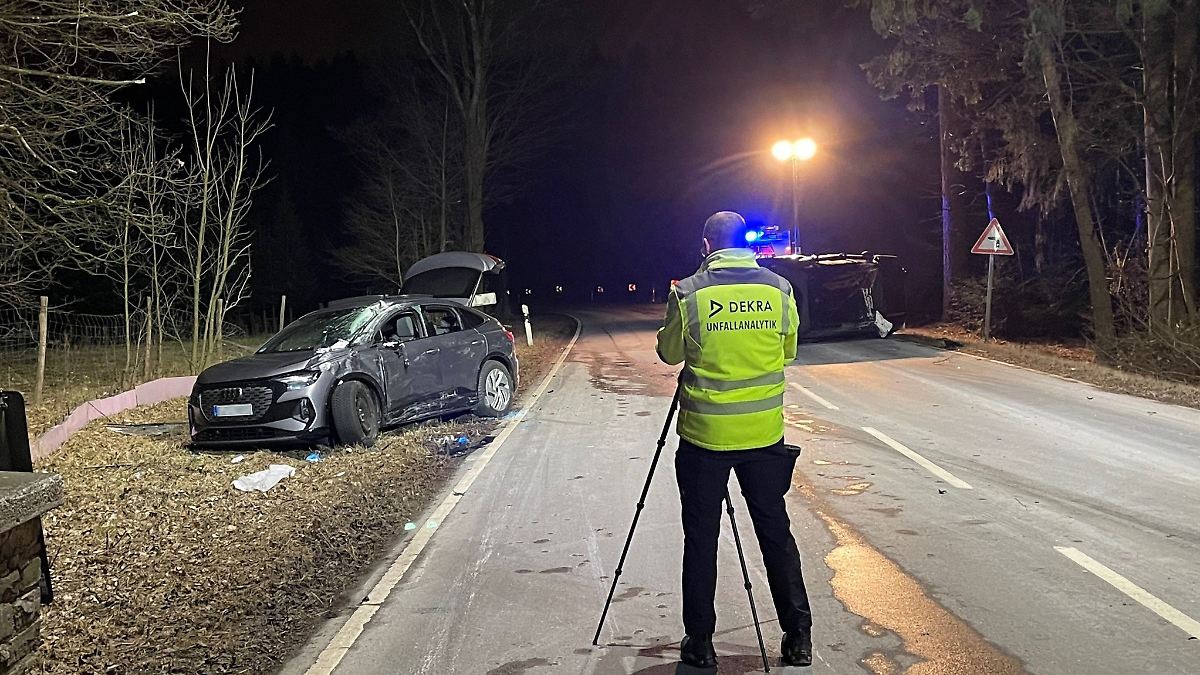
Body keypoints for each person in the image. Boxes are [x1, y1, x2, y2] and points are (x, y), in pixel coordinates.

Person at [656, 211, 812, 669]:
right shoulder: (779, 289)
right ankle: (798, 637)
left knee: (701, 538)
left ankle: (701, 643)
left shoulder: (688, 292)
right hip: (764, 436)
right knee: (775, 533)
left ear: (707, 245)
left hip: (704, 439)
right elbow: (788, 352)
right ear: (745, 243)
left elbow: (668, 353)